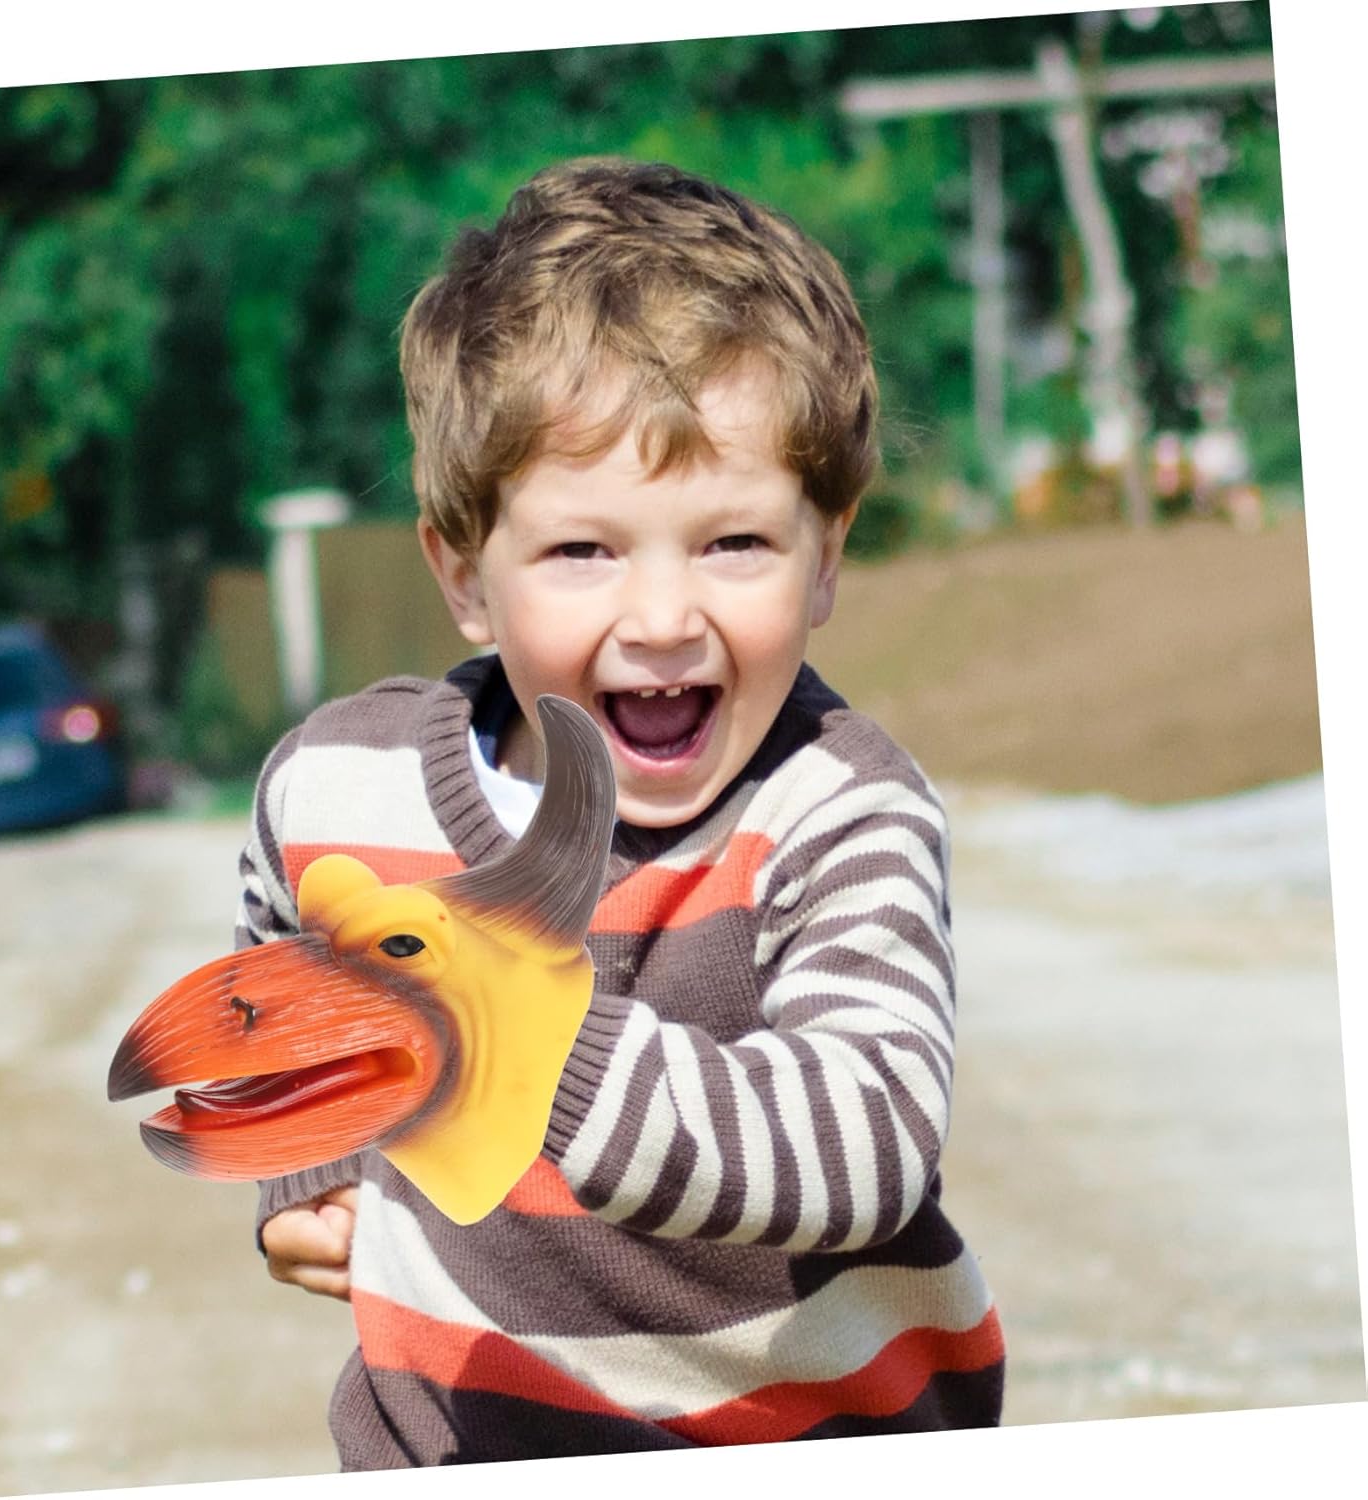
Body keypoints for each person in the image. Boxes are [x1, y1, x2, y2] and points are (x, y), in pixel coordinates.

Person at [242, 157, 1005, 1467]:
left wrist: (534, 1038)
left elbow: (868, 1140)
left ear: (826, 558)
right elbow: (282, 953)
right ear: (464, 576)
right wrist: (305, 1160)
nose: (660, 618)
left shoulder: (839, 813)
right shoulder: (339, 785)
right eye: (582, 551)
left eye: (734, 543)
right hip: (450, 1437)